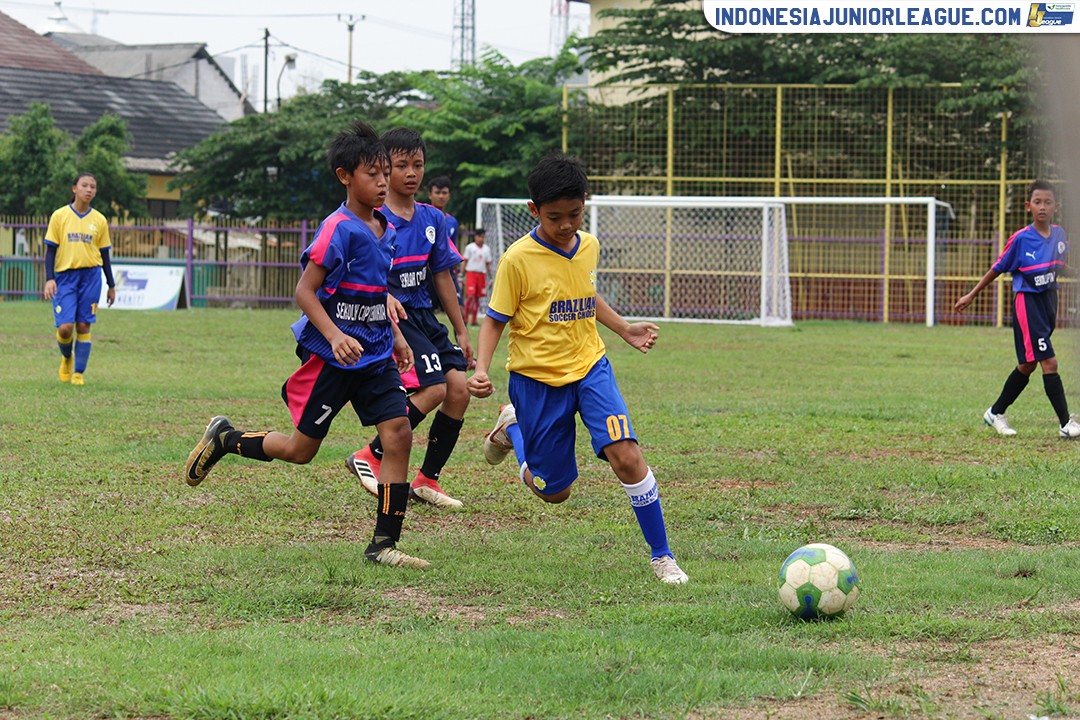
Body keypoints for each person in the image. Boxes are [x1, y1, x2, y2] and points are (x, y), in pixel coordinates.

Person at [184, 121, 429, 569]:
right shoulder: (336, 229)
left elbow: (378, 290)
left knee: (398, 434)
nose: (382, 183)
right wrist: (335, 336)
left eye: (384, 174)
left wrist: (395, 335)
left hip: (375, 356)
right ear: (344, 176)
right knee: (301, 450)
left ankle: (383, 545)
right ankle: (226, 438)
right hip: (334, 359)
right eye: (372, 175)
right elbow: (304, 291)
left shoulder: (385, 229)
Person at [466, 154, 689, 585]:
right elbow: (494, 318)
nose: (566, 225)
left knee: (626, 455)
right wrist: (481, 368)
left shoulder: (589, 245)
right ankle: (513, 427)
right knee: (556, 493)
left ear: (584, 204)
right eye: (554, 217)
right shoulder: (517, 259)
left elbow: (584, 293)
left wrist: (623, 328)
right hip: (536, 381)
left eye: (574, 214)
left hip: (590, 367)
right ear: (533, 210)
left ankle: (662, 556)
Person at [345, 128, 473, 509]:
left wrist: (462, 329)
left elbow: (443, 275)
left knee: (459, 391)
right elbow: (358, 272)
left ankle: (426, 479)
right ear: (384, 169)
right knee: (434, 388)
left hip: (424, 316)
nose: (411, 173)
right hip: (393, 319)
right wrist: (382, 298)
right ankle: (370, 454)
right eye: (400, 165)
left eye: (417, 165)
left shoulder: (433, 218)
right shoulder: (374, 218)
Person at [955, 179, 1080, 439]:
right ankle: (1066, 424)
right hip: (1028, 303)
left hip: (1049, 302)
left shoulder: (1059, 234)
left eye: (1047, 202)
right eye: (1037, 202)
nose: (1042, 207)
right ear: (1028, 206)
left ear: (1055, 206)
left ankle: (995, 412)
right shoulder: (1021, 239)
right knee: (1049, 361)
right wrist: (971, 294)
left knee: (1027, 364)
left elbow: (1057, 267)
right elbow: (997, 268)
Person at [43, 172, 115, 385]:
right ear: (74, 189)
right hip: (65, 277)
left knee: (83, 325)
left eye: (93, 186)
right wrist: (49, 278)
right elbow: (50, 251)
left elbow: (105, 255)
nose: (89, 190)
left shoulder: (99, 220)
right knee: (65, 327)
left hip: (91, 276)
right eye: (84, 185)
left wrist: (111, 285)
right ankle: (66, 357)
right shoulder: (59, 216)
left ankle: (78, 373)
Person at [462, 228, 493, 326]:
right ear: (475, 237)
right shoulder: (470, 248)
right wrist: (461, 275)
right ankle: (465, 318)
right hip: (471, 273)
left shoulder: (486, 249)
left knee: (477, 298)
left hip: (481, 275)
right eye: (480, 236)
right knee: (470, 297)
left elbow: (488, 264)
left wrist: (490, 277)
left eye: (483, 237)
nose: (481, 239)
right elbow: (464, 262)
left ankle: (474, 320)